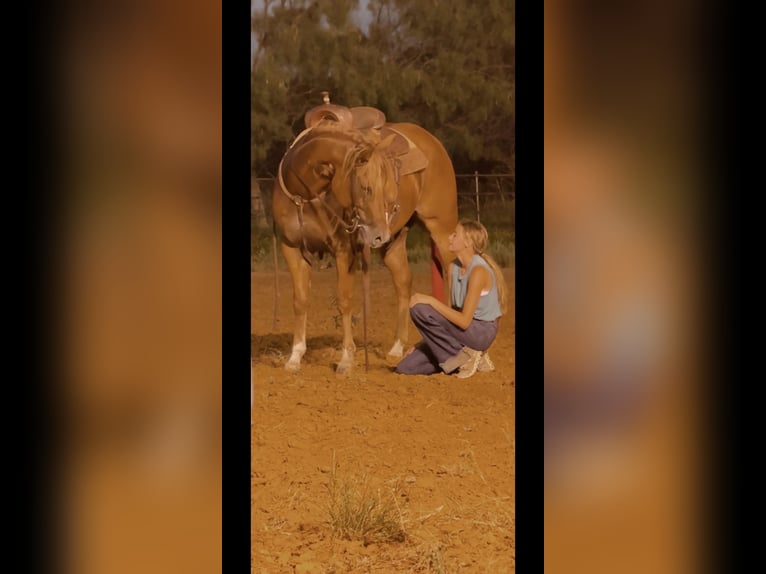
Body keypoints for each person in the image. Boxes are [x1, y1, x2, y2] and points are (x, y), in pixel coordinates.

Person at [395, 219, 508, 378]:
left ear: (467, 242)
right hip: (461, 334)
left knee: (419, 308)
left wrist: (431, 300)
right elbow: (447, 318)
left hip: (480, 332)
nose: (450, 238)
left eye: (455, 235)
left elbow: (463, 321)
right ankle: (466, 358)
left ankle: (466, 357)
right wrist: (423, 342)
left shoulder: (478, 271)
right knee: (406, 367)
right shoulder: (453, 267)